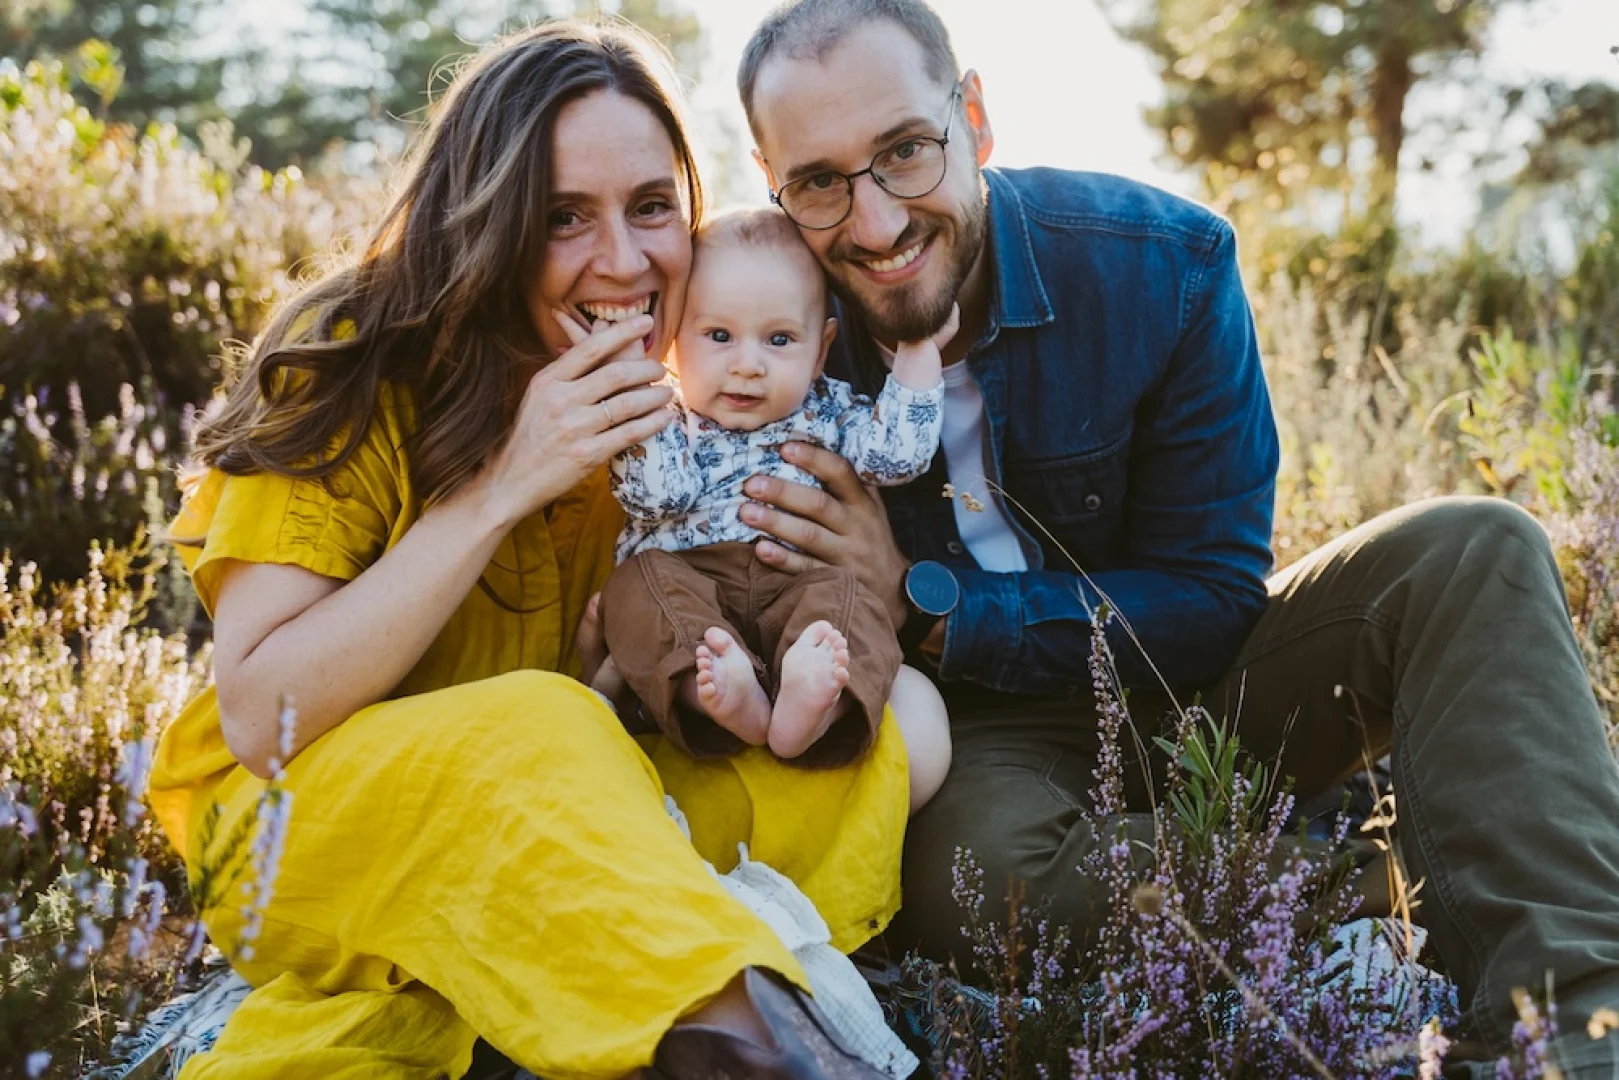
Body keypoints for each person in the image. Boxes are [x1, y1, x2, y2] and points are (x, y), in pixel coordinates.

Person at [731, 0, 1619, 1073]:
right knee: (966, 878)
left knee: (1472, 545)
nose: (872, 223)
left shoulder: (1166, 266)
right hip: (991, 747)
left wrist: (927, 600)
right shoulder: (761, 335)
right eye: (819, 181)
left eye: (905, 152)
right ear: (771, 181)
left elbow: (1209, 599)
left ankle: (1579, 1040)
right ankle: (1421, 859)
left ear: (972, 117)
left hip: (1207, 675)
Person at [145, 19, 926, 1080]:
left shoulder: (677, 402)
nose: (623, 261)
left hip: (557, 801)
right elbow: (261, 716)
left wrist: (642, 671)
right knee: (538, 722)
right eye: (563, 217)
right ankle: (747, 1038)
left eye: (652, 208)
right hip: (306, 829)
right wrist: (505, 485)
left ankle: (517, 979)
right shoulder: (348, 361)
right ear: (489, 219)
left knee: (891, 731)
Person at [598, 207, 953, 806]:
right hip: (691, 579)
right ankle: (713, 688)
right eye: (718, 336)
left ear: (821, 351)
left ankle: (813, 704)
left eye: (780, 340)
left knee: (850, 604)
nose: (747, 364)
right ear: (675, 341)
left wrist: (918, 352)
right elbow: (656, 494)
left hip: (800, 588)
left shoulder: (830, 411)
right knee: (638, 588)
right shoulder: (670, 419)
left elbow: (895, 458)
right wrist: (639, 392)